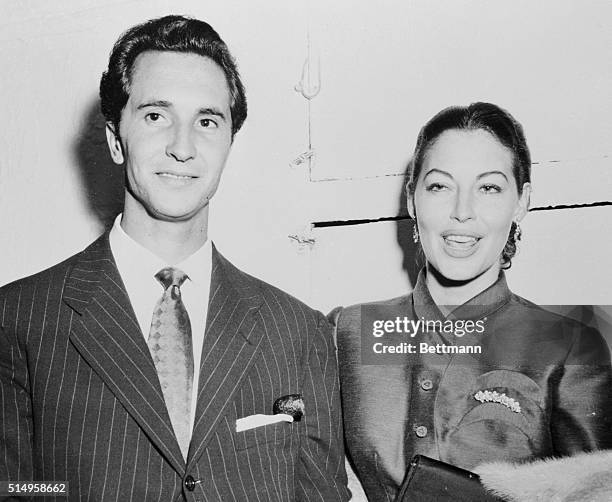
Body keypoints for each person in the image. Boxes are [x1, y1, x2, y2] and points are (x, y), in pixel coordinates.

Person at [0, 15, 349, 501]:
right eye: (155, 115)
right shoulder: (17, 320)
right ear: (115, 139)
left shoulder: (300, 332)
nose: (182, 147)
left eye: (207, 121)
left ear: (229, 142)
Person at [334, 102, 612, 501]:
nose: (462, 212)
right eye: (440, 186)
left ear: (521, 201)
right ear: (412, 199)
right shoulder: (348, 330)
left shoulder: (570, 347)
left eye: (489, 188)